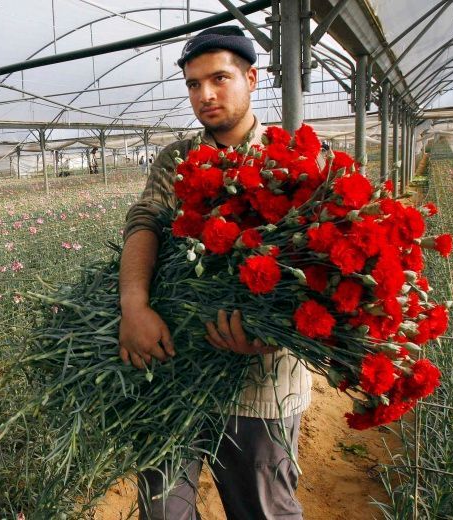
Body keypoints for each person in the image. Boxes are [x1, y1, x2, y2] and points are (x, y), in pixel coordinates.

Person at [119, 25, 311, 520]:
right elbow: (146, 223)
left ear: (252, 77)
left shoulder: (297, 159)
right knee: (164, 511)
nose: (204, 95)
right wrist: (134, 306)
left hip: (262, 381)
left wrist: (277, 333)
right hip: (173, 364)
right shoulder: (178, 160)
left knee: (261, 508)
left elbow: (322, 275)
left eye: (219, 79)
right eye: (192, 83)